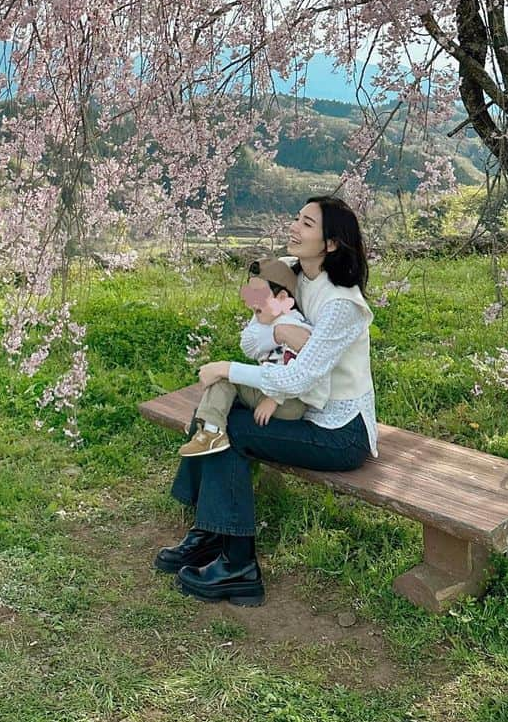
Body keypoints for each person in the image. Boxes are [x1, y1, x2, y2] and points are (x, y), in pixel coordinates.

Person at [154, 196, 376, 607]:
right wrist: (279, 335)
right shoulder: (290, 273)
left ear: (330, 243)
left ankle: (238, 565)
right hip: (299, 408)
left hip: (339, 431)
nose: (294, 227)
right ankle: (210, 533)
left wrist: (227, 369)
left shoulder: (343, 305)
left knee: (233, 428)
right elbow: (248, 339)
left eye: (307, 224)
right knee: (215, 413)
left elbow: (299, 376)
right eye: (297, 218)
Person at [177, 256, 328, 456]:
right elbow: (247, 343)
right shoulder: (267, 318)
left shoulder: (295, 328)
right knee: (226, 384)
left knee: (225, 379)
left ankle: (210, 431)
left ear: (282, 298)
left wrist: (273, 400)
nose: (252, 304)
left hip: (289, 402)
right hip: (271, 391)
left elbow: (293, 373)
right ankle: (207, 427)